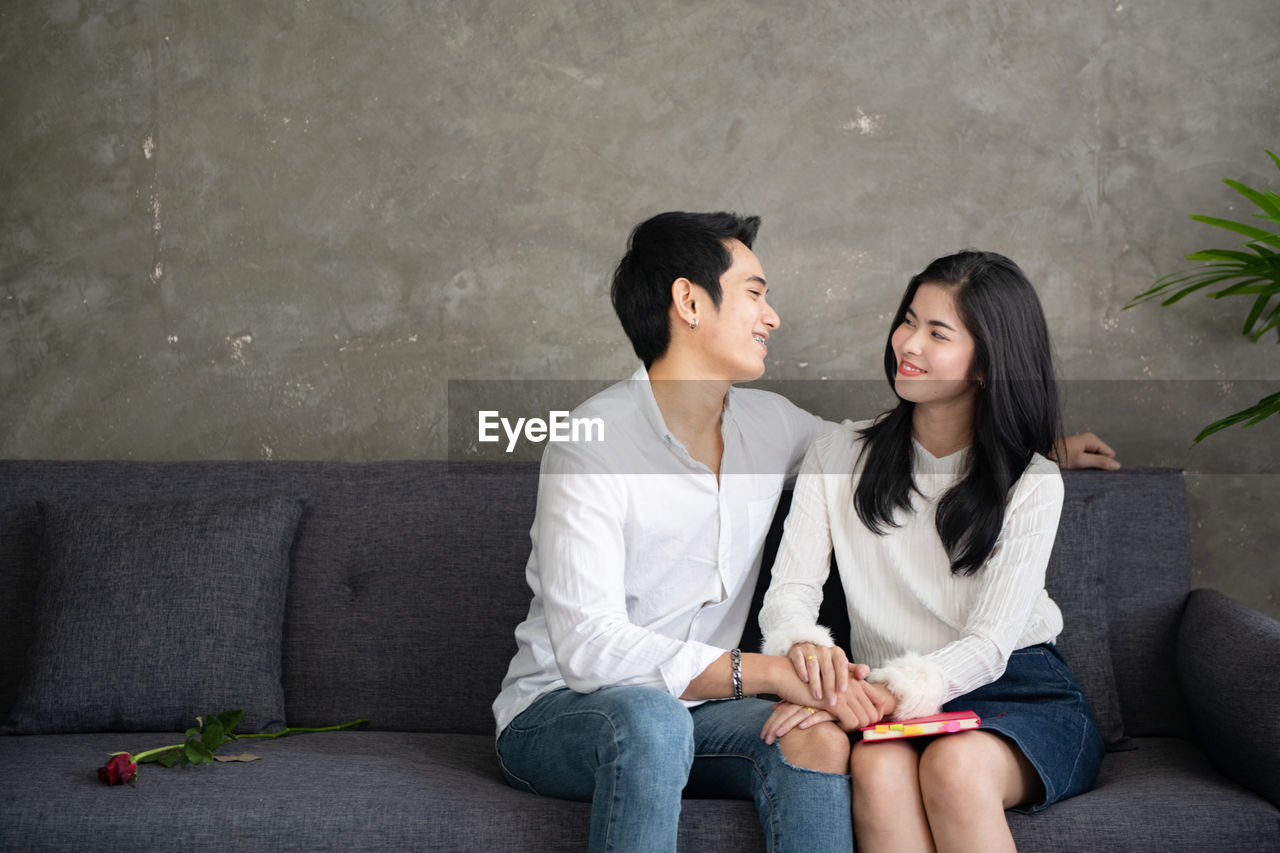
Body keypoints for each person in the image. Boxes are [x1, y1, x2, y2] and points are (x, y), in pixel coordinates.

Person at [491, 214, 1116, 853]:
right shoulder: (589, 444)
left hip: (712, 712)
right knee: (651, 719)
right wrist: (766, 671)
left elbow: (915, 448)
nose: (773, 317)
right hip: (572, 709)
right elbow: (589, 649)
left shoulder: (773, 427)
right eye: (755, 293)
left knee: (818, 737)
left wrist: (1035, 450)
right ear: (689, 303)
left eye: (937, 331)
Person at [757, 250, 1106, 853]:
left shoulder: (1032, 481)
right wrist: (815, 670)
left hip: (1015, 688)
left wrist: (885, 695)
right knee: (877, 767)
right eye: (908, 320)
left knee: (954, 768)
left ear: (985, 366)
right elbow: (789, 595)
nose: (908, 344)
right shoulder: (836, 456)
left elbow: (991, 643)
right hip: (883, 693)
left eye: (937, 333)